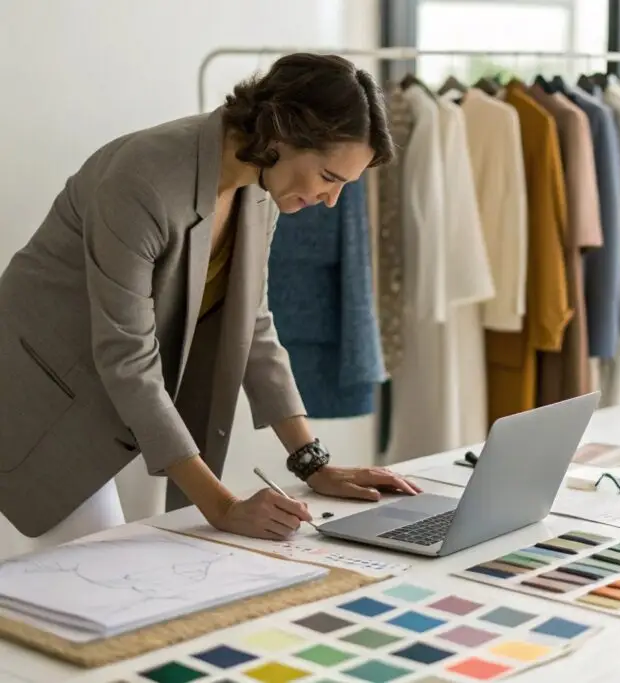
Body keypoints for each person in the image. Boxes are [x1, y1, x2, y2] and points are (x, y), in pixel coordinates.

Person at [0, 53, 421, 546]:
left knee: (150, 567)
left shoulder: (260, 188)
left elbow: (254, 327)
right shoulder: (143, 181)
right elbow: (127, 356)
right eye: (330, 177)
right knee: (102, 575)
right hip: (40, 395)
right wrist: (223, 507)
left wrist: (314, 464)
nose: (332, 201)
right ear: (282, 133)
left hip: (125, 403)